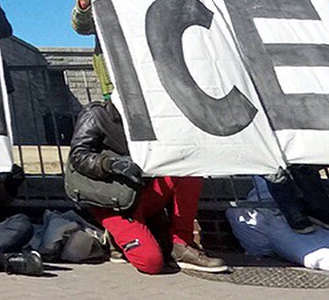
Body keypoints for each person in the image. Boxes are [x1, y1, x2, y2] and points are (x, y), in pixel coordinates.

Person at [190, 0, 329, 235]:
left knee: (298, 147)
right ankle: (293, 212)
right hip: (241, 78)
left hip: (275, 78)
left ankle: (321, 210)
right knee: (268, 152)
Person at [68, 99, 229, 274]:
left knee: (188, 171)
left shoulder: (153, 111)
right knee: (151, 263)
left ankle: (181, 245)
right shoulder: (97, 114)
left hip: (141, 191)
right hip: (113, 200)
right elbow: (78, 155)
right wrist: (109, 164)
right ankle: (117, 241)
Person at [71, 0, 128, 99]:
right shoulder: (98, 5)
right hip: (113, 83)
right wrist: (84, 2)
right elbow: (82, 27)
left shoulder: (141, 1)